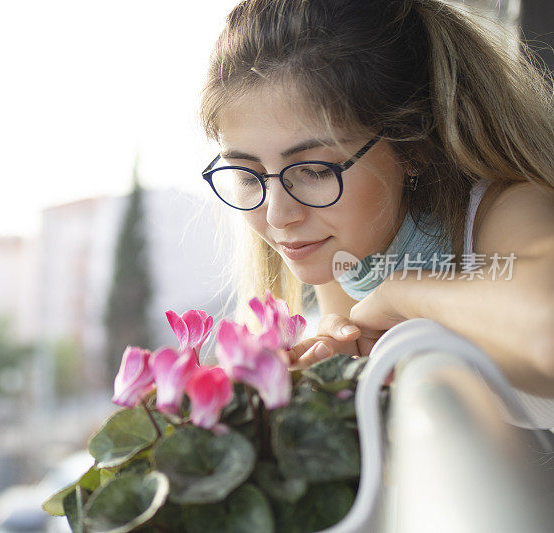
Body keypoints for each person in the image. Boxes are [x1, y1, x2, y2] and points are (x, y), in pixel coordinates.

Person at [198, 0, 554, 430]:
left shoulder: (506, 207)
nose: (278, 215)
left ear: (414, 145)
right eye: (249, 176)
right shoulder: (342, 253)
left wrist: (401, 295)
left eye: (313, 171)